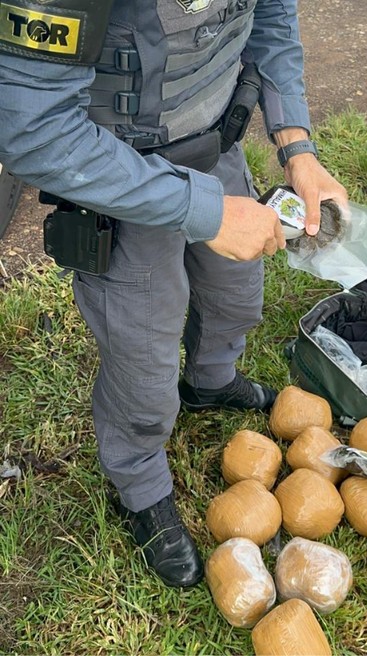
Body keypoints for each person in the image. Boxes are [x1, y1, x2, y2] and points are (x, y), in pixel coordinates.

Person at [0, 0, 347, 587]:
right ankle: (139, 484)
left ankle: (210, 382)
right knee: (143, 352)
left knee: (235, 294)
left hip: (214, 145)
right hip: (118, 176)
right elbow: (33, 131)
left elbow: (271, 14)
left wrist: (297, 145)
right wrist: (205, 212)